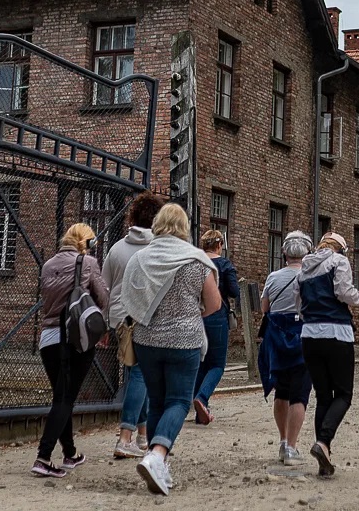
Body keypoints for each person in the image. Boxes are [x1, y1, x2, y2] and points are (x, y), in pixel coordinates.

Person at [123, 203, 221, 495]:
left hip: (146, 340)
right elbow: (214, 304)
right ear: (184, 227)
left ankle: (159, 468)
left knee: (156, 400)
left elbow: (129, 297)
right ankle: (157, 455)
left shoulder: (140, 258)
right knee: (178, 402)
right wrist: (190, 315)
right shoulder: (196, 260)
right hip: (184, 341)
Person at [32, 223, 109, 478]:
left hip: (48, 338)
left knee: (62, 395)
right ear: (86, 243)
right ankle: (43, 458)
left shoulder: (48, 265)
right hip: (75, 339)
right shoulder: (87, 263)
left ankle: (70, 454)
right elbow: (103, 298)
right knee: (64, 398)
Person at [296, 231, 359, 477]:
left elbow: (299, 305)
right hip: (337, 334)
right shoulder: (339, 262)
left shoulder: (303, 269)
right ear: (340, 248)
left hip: (309, 336)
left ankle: (323, 455)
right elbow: (344, 293)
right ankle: (324, 442)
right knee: (344, 394)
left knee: (323, 396)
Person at [101, 191, 163, 458]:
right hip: (147, 318)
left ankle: (142, 434)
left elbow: (105, 287)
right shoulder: (159, 249)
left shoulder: (117, 248)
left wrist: (105, 324)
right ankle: (125, 437)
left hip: (119, 319)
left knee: (140, 375)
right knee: (140, 375)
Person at [259, 231, 313, 466]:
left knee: (281, 392)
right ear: (307, 253)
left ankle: (282, 441)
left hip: (277, 339)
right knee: (299, 393)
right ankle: (292, 447)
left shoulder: (273, 277)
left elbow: (264, 308)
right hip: (302, 337)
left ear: (284, 254)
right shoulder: (310, 277)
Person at [193, 229, 240, 425]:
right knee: (217, 364)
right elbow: (234, 291)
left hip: (195, 316)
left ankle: (199, 410)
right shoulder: (224, 263)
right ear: (219, 245)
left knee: (201, 363)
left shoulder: (195, 262)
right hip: (217, 316)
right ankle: (202, 398)